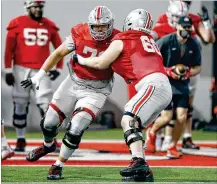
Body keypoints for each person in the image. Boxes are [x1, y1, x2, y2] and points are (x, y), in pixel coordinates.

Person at [20, 5, 120, 180]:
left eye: (103, 26)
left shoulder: (119, 39)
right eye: (95, 26)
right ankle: (48, 145)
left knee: (76, 126)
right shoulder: (80, 32)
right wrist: (40, 75)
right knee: (49, 122)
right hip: (74, 82)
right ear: (89, 25)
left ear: (110, 25)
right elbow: (58, 53)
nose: (99, 30)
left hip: (97, 89)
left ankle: (58, 165)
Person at [73, 9, 172, 182]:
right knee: (134, 123)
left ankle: (139, 162)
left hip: (153, 84)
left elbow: (100, 62)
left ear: (130, 23)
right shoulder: (148, 40)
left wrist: (80, 59)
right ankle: (143, 172)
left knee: (128, 119)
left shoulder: (126, 38)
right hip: (159, 86)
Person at [150, 0, 215, 151]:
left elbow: (208, 40)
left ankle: (179, 140)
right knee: (165, 112)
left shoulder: (192, 37)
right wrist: (167, 71)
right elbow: (153, 55)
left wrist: (206, 23)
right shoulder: (162, 28)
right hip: (166, 74)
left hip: (185, 74)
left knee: (184, 111)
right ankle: (157, 135)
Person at [4, 0, 63, 152]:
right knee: (20, 103)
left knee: (45, 104)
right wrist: (8, 70)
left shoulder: (49, 25)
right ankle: (20, 138)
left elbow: (60, 48)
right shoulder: (17, 23)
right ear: (27, 8)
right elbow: (8, 50)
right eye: (34, 7)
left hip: (42, 69)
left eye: (40, 7)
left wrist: (59, 68)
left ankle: (51, 139)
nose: (38, 10)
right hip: (20, 69)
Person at [146, 16, 202, 158]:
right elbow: (151, 60)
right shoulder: (166, 41)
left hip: (183, 86)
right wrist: (168, 70)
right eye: (184, 27)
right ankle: (152, 132)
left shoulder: (193, 44)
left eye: (189, 27)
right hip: (166, 84)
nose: (186, 30)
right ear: (177, 26)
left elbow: (198, 67)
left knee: (182, 117)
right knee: (166, 117)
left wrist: (189, 72)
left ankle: (172, 146)